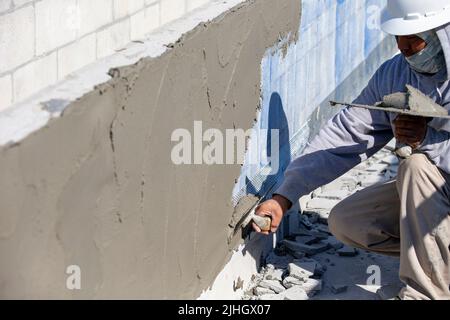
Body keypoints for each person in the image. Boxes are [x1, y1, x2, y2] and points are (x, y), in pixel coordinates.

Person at [253, 0, 450, 300]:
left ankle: (426, 293)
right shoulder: (396, 75)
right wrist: (284, 196)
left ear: (441, 33)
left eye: (415, 39)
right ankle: (437, 258)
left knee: (417, 166)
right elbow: (346, 133)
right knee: (349, 222)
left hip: (438, 188)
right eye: (399, 38)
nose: (404, 48)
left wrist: (427, 139)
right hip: (439, 200)